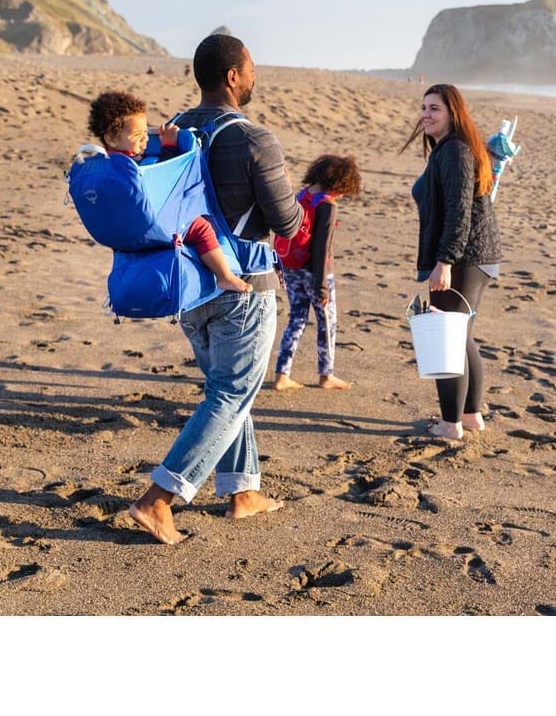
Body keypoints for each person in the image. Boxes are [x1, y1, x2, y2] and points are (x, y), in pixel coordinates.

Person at [128, 34, 303, 544]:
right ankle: (159, 498)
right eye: (250, 69)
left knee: (226, 389)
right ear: (232, 76)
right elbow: (288, 223)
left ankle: (243, 492)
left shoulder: (173, 131)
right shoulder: (254, 139)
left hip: (188, 285)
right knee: (232, 392)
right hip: (243, 285)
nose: (254, 76)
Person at [401, 84, 503, 441]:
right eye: (424, 107)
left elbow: (459, 212)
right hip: (476, 256)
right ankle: (470, 416)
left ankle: (450, 424)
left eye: (435, 109)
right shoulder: (451, 148)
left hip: (463, 257)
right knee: (461, 335)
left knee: (446, 336)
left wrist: (444, 261)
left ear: (453, 113)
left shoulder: (456, 150)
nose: (426, 114)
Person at [87, 90, 251, 294]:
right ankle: (225, 276)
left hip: (125, 229)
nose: (145, 140)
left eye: (146, 132)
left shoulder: (103, 163)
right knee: (201, 228)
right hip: (153, 222)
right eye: (138, 135)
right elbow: (161, 178)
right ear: (111, 138)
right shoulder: (128, 166)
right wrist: (169, 147)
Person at [272, 154, 362, 392]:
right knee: (327, 322)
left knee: (296, 319)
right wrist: (322, 287)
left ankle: (282, 374)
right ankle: (326, 375)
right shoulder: (327, 205)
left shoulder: (302, 195)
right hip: (316, 273)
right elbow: (322, 248)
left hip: (291, 267)